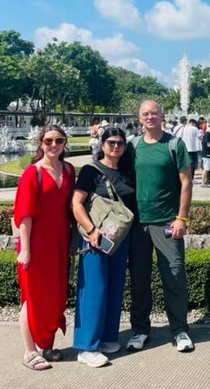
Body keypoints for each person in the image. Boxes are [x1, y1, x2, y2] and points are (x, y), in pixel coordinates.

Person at [126, 100, 195, 353]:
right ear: (140, 117)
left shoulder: (174, 144)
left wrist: (182, 218)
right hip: (138, 224)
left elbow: (186, 182)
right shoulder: (133, 145)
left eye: (154, 113)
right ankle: (141, 330)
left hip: (167, 222)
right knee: (139, 279)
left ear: (162, 116)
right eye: (145, 113)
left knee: (175, 277)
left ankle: (179, 330)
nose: (150, 117)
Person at [72, 128, 137, 368]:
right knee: (94, 289)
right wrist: (90, 230)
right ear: (102, 143)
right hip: (95, 238)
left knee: (115, 287)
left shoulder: (128, 172)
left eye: (120, 143)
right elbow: (76, 203)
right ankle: (86, 346)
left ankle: (109, 337)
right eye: (111, 142)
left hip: (119, 239)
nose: (116, 147)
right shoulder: (91, 171)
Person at [14, 125, 75, 371]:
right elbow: (24, 215)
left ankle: (47, 346)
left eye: (59, 140)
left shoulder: (69, 170)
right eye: (48, 140)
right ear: (41, 143)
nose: (54, 145)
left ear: (64, 144)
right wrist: (25, 249)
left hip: (59, 241)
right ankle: (29, 351)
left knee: (54, 294)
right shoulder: (33, 173)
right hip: (36, 242)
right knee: (32, 296)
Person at [175, 117, 201, 183]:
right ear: (194, 123)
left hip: (184, 148)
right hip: (193, 148)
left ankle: (183, 177)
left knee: (185, 163)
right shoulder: (195, 129)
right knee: (192, 164)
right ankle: (191, 178)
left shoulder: (183, 128)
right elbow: (200, 137)